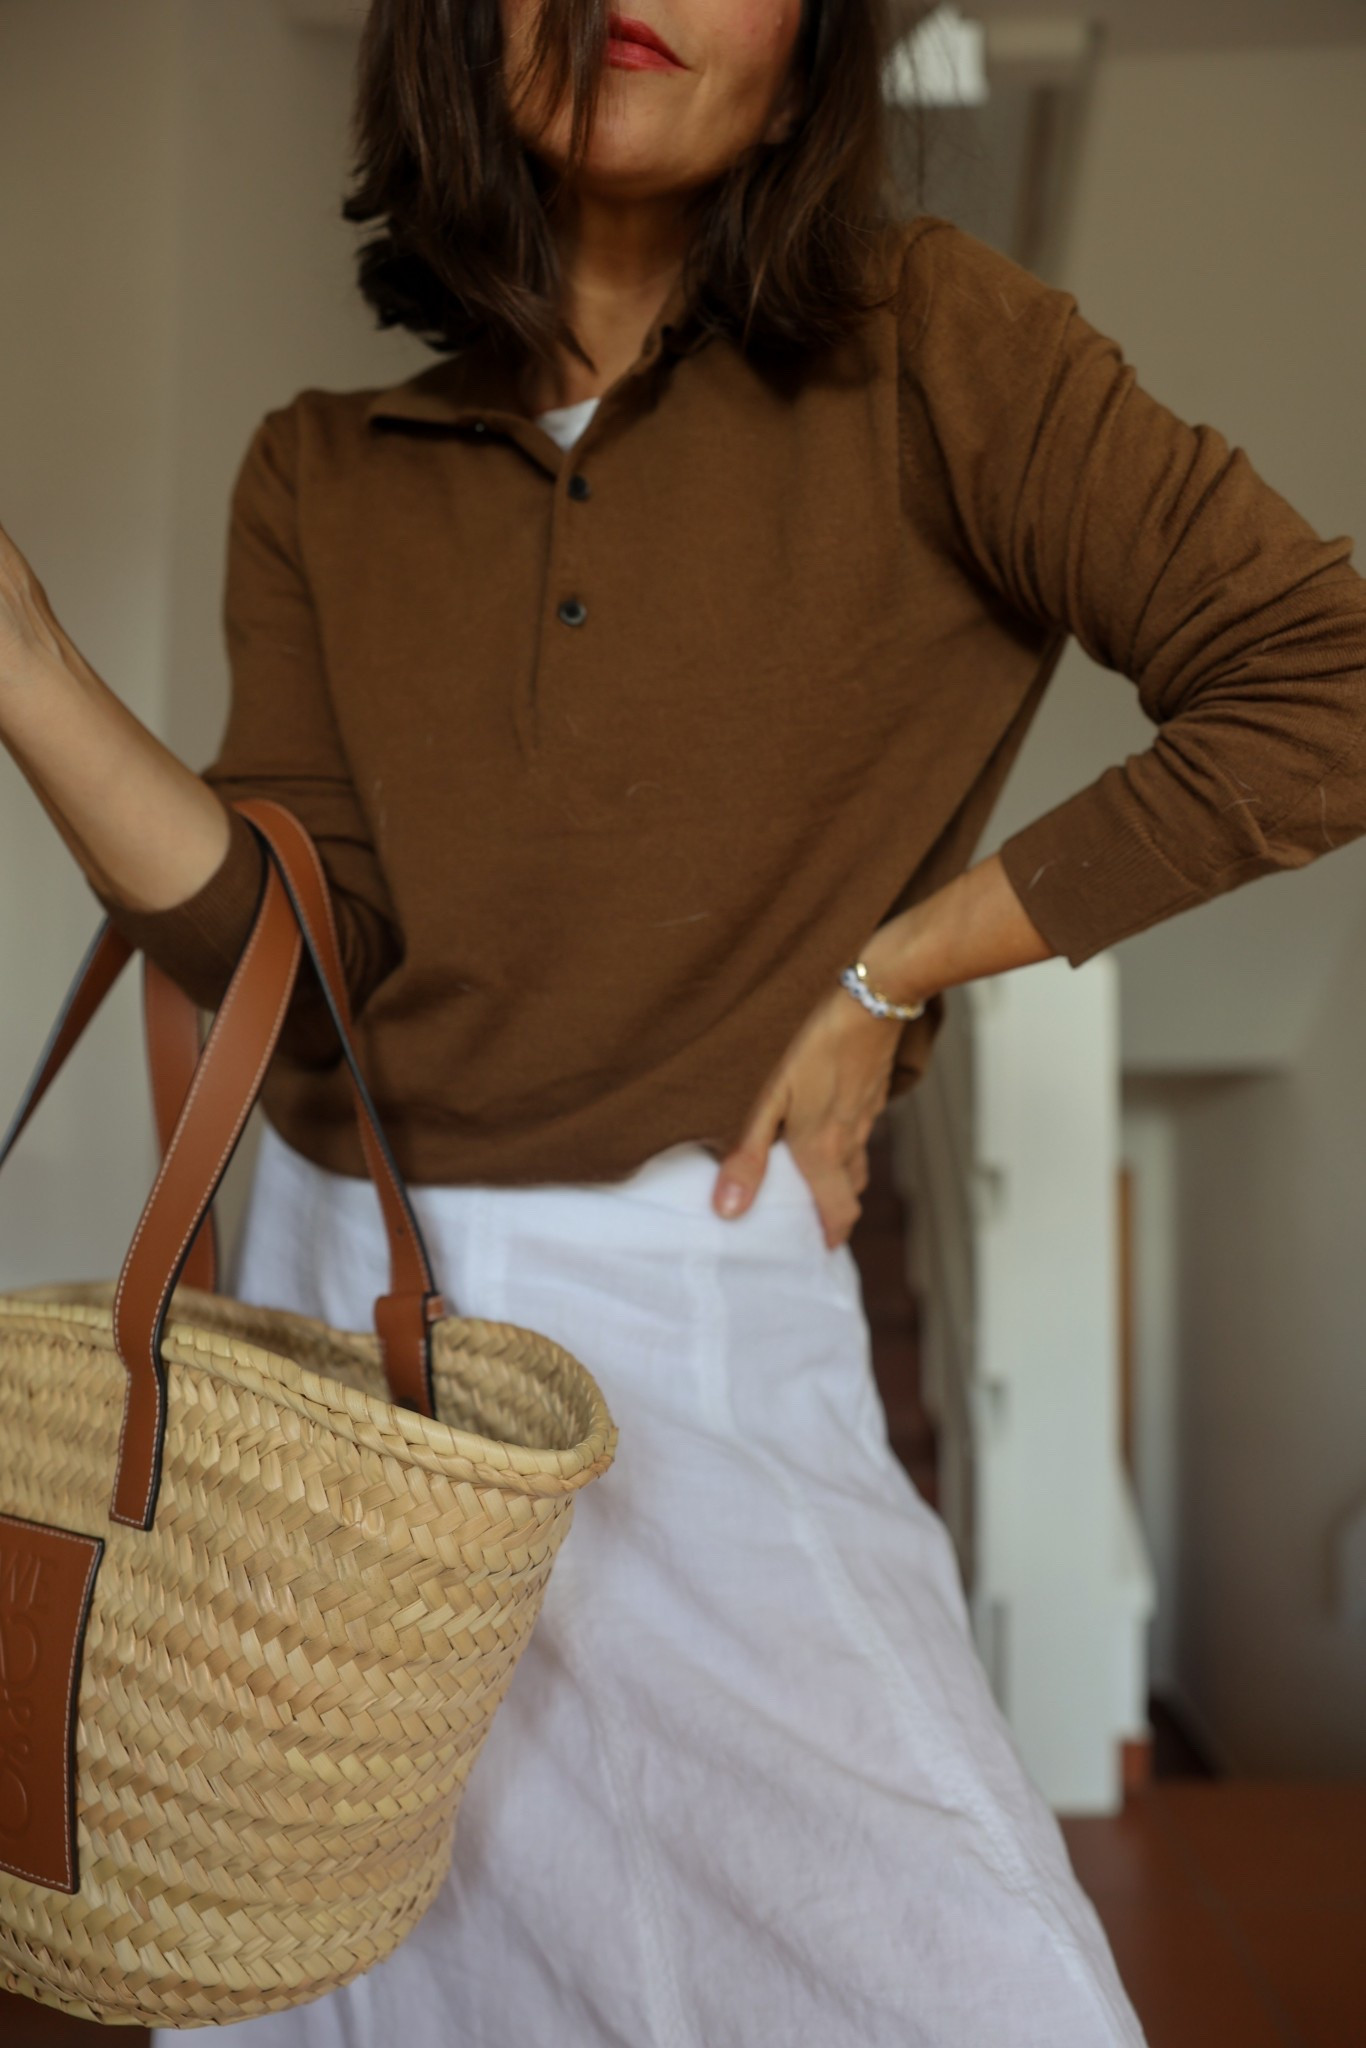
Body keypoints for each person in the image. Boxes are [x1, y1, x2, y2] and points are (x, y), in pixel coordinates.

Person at [3, 1, 1366, 2042]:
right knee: (351, 1979)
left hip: (690, 1323)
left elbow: (1320, 683)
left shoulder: (930, 344)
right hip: (331, 1325)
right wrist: (25, 660)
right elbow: (300, 950)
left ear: (810, 48)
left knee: (964, 1985)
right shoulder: (318, 467)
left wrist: (894, 971)